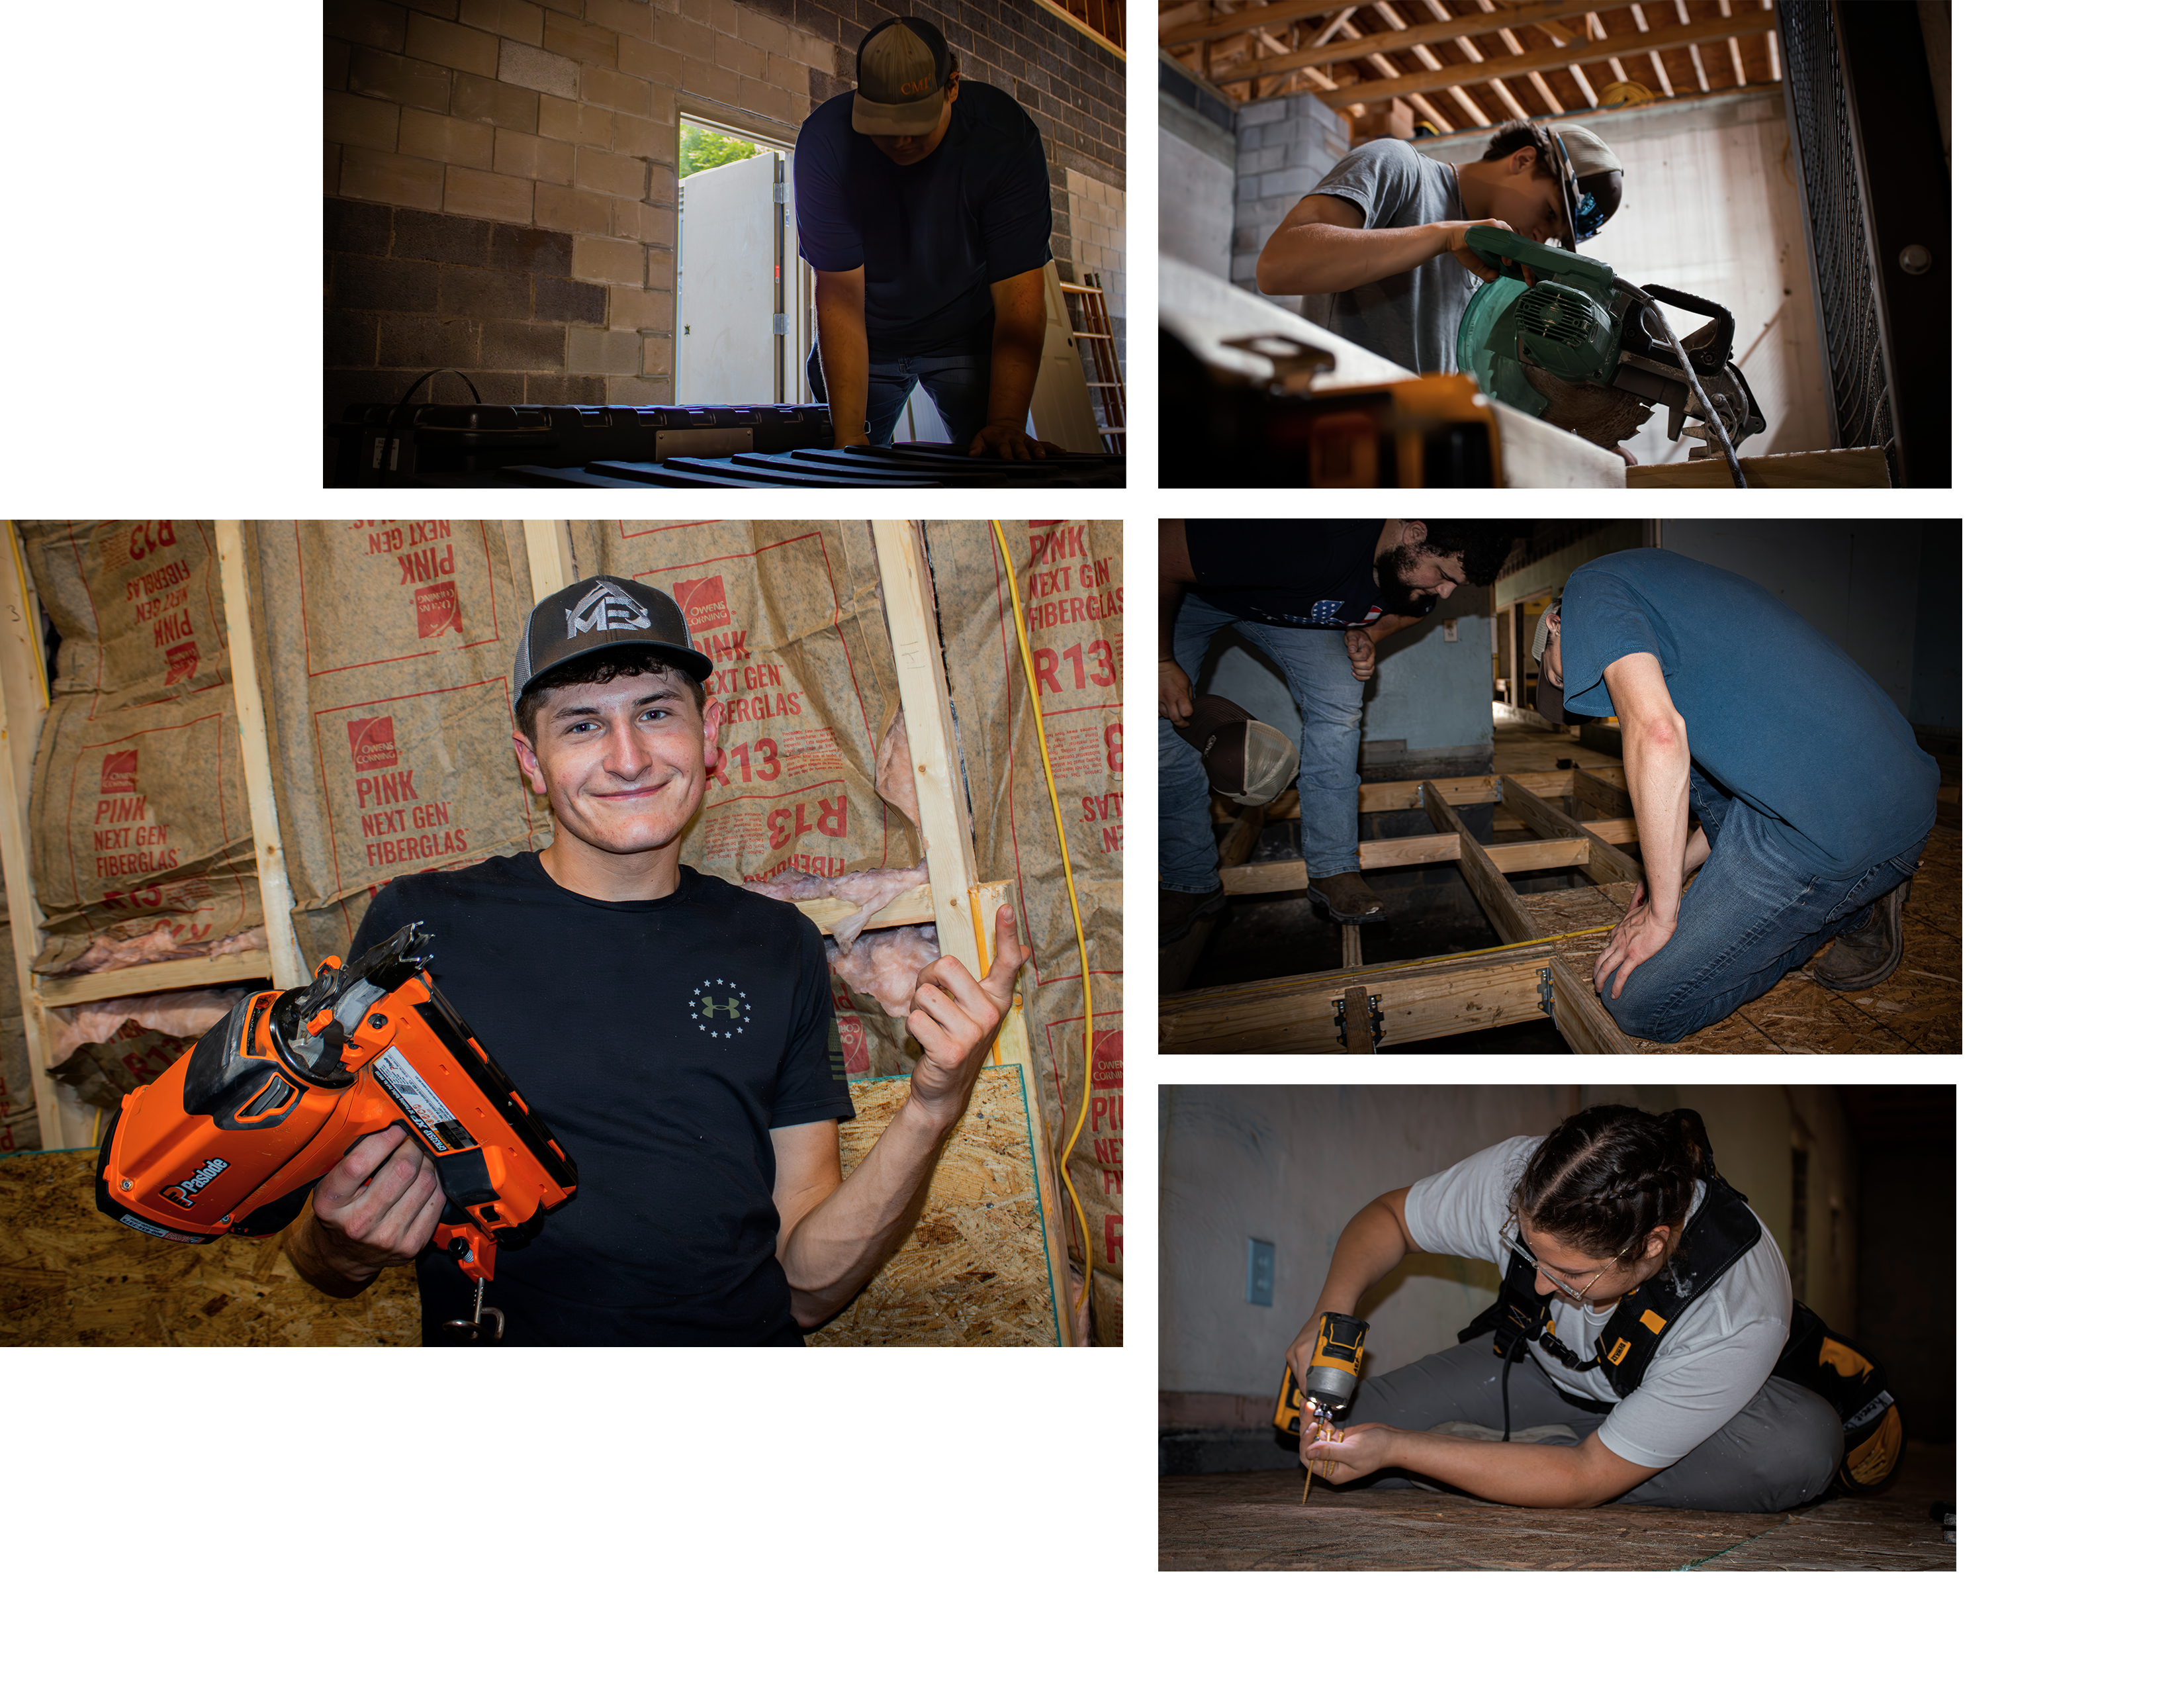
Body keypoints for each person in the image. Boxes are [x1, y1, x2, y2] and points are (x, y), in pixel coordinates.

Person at [282, 575, 1025, 1344]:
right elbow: (319, 1255)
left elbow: (805, 1288)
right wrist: (341, 1243)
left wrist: (933, 1106)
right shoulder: (421, 927)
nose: (629, 759)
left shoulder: (780, 945)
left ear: (708, 738)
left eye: (657, 712)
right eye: (580, 726)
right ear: (530, 763)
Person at [1286, 1105, 1843, 1513]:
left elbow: (1587, 1475)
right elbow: (1391, 1218)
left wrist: (1403, 1448)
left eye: (1573, 1274)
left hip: (1658, 1403)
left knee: (1798, 1453)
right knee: (1335, 1440)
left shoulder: (1736, 1309)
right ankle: (1505, 1464)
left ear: (1652, 1244)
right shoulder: (1536, 1183)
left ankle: (1516, 1460)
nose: (1544, 1288)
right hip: (1539, 1367)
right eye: (1533, 1255)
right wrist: (1329, 1311)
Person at [1533, 550, 1938, 1043]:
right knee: (1697, 762)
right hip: (1887, 785)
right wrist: (1677, 865)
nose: (1576, 687)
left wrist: (1664, 914)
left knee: (1640, 1002)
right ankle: (1851, 897)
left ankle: (1848, 905)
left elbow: (1658, 738)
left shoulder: (1588, 590)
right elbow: (1737, 771)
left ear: (1556, 623)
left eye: (1557, 675)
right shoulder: (1673, 587)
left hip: (1837, 827)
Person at [1158, 518, 1506, 942]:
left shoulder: (1415, 577)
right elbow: (1159, 551)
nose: (1447, 592)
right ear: (1414, 533)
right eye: (1445, 576)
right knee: (1159, 723)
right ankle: (1187, 881)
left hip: (1290, 618)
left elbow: (1413, 612)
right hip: (1195, 598)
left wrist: (1371, 634)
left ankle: (1334, 869)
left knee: (1341, 704)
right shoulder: (1308, 533)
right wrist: (1158, 662)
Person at [793, 15, 1057, 461]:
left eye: (915, 123)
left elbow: (1019, 295)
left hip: (964, 337)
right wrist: (849, 441)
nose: (899, 140)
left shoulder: (1003, 138)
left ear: (952, 86)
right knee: (852, 466)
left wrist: (1008, 424)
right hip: (866, 338)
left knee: (995, 459)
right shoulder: (826, 144)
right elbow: (838, 293)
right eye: (882, 123)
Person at [1256, 119, 1624, 379]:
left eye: (1553, 236)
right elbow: (1278, 264)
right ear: (1523, 160)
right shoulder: (1400, 167)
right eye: (1549, 213)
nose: (1540, 238)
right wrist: (1444, 236)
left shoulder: (1500, 265)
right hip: (1330, 439)